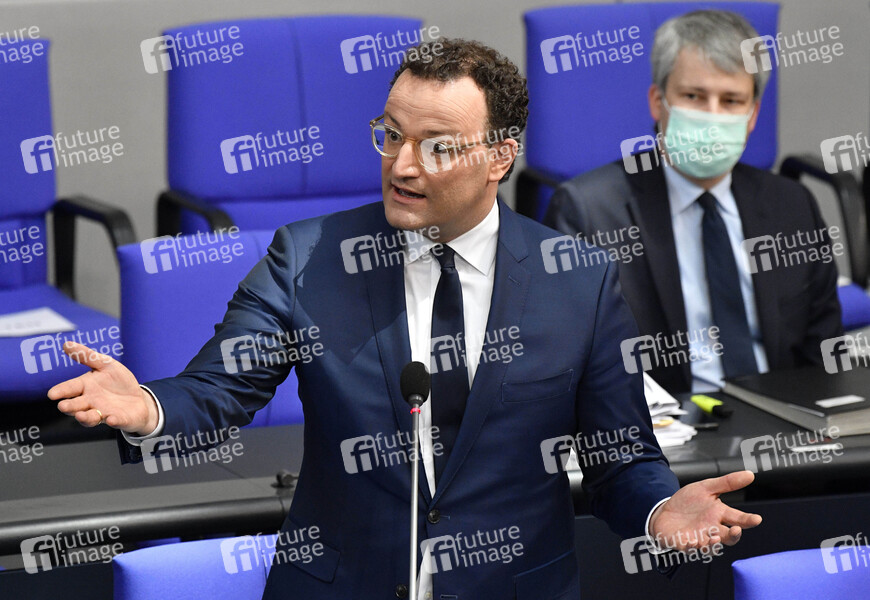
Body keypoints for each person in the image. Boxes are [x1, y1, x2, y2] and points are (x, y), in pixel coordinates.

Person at [49, 38, 759, 599]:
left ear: (499, 157)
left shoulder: (577, 279)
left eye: (437, 146)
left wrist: (658, 510)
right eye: (391, 135)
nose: (403, 165)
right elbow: (220, 388)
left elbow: (619, 457)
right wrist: (148, 407)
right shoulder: (310, 257)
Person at [545, 10, 843, 394]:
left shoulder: (792, 205)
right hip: (667, 421)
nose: (712, 118)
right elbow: (572, 367)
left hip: (782, 410)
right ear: (658, 102)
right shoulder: (588, 212)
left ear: (753, 115)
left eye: (732, 100)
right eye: (693, 96)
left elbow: (822, 353)